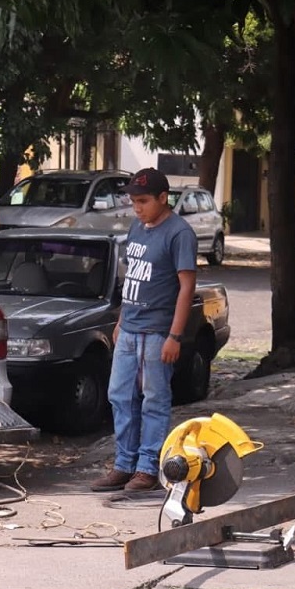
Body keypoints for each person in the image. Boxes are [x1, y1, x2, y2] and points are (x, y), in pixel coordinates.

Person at [90, 167, 198, 493]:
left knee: (154, 399)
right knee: (120, 396)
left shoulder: (180, 233)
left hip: (158, 332)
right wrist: (121, 321)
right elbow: (131, 281)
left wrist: (175, 336)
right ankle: (123, 465)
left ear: (163, 198)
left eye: (143, 201)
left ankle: (147, 468)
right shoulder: (138, 227)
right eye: (133, 201)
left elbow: (186, 287)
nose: (137, 208)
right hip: (131, 327)